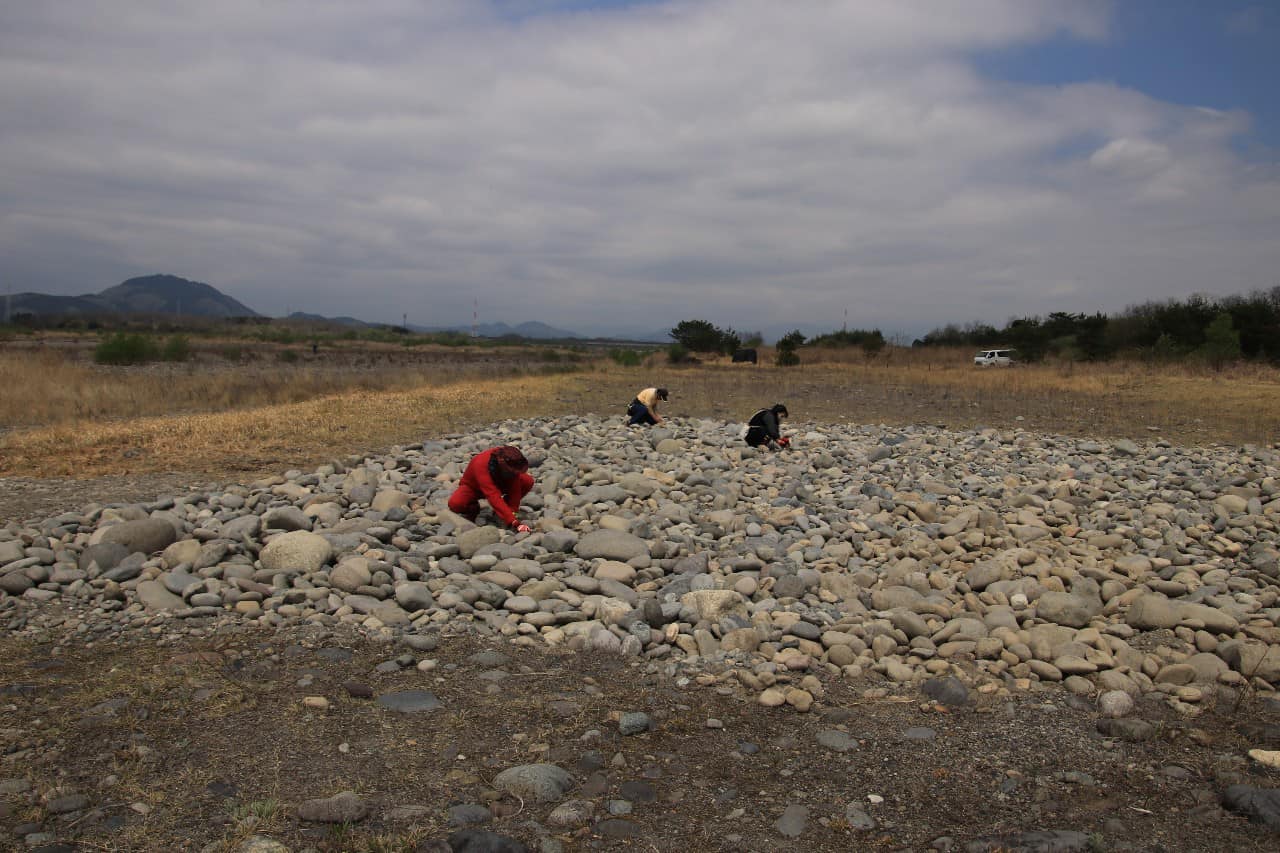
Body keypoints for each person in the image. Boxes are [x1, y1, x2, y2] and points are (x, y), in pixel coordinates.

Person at [447, 446, 534, 532]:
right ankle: (473, 508)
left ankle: (504, 508)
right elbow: (492, 495)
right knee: (455, 503)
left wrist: (512, 511)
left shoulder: (512, 464)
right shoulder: (481, 463)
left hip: (500, 482)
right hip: (474, 488)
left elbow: (515, 489)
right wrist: (514, 522)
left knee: (528, 481)